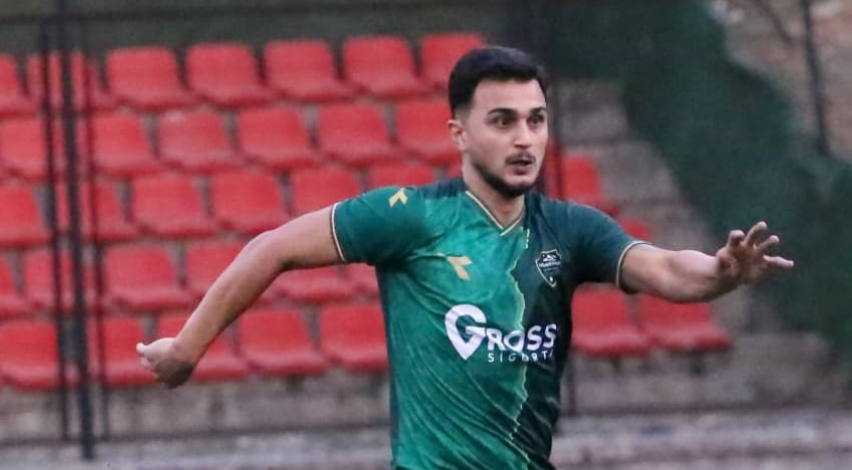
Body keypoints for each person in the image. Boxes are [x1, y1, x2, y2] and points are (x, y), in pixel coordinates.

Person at [137, 45, 794, 470]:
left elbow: (666, 268)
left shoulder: (571, 230)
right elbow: (272, 248)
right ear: (459, 133)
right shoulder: (410, 218)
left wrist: (720, 273)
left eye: (536, 120)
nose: (525, 138)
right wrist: (188, 348)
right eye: (503, 121)